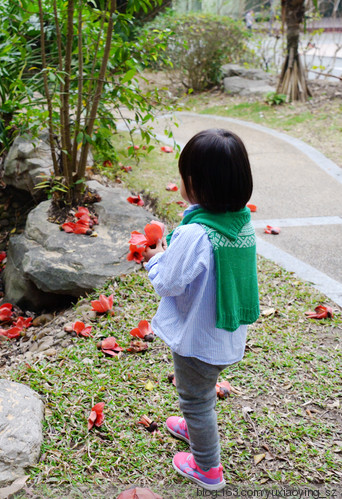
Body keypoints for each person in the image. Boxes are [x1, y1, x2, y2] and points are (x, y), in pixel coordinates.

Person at [142, 129, 260, 492]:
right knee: (200, 391)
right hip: (226, 333)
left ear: (193, 183)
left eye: (183, 176)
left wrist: (155, 258)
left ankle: (207, 468)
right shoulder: (240, 223)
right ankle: (194, 423)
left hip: (199, 338)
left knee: (195, 398)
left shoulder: (196, 235)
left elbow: (168, 283)